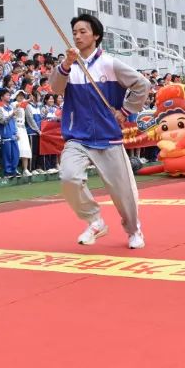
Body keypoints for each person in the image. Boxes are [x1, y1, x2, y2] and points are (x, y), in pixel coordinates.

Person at [51, 13, 149, 249]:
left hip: (109, 137)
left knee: (122, 192)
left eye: (83, 31)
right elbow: (55, 87)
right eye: (74, 32)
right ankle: (94, 221)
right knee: (68, 177)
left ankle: (134, 230)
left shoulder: (110, 64)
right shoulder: (68, 66)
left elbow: (142, 85)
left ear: (96, 35)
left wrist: (125, 111)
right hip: (77, 137)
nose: (77, 36)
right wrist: (66, 64)